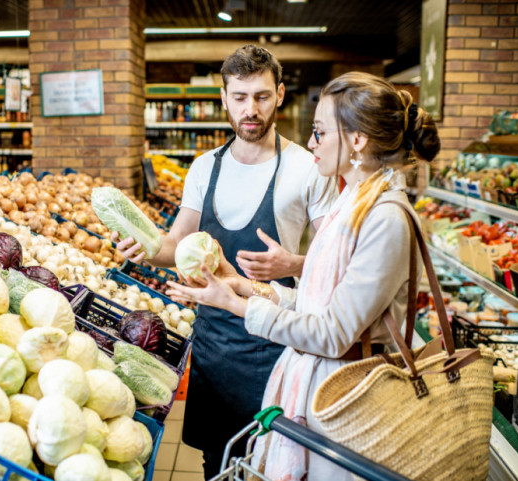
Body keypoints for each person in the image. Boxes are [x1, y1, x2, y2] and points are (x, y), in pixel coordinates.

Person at [166, 71, 441, 480]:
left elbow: (331, 333)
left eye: (320, 131)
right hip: (321, 390)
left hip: (346, 400)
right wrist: (249, 287)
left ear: (358, 141)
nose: (312, 142)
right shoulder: (355, 204)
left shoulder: (384, 218)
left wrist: (238, 306)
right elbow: (317, 303)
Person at [114, 45, 338, 478]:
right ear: (224, 98)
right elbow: (175, 245)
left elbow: (334, 265)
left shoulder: (306, 169)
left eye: (260, 96)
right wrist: (144, 247)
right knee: (215, 463)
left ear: (279, 95)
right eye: (239, 97)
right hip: (214, 346)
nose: (250, 109)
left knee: (273, 465)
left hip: (277, 338)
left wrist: (291, 264)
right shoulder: (204, 168)